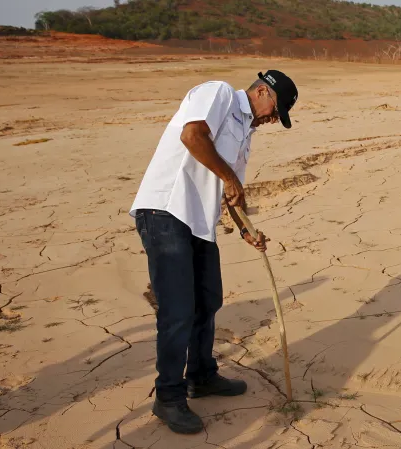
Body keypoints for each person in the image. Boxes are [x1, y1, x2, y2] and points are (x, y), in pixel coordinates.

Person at [128, 70, 299, 434]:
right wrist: (229, 178)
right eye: (275, 109)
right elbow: (192, 136)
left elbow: (232, 192)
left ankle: (202, 375)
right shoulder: (219, 94)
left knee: (208, 300)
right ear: (261, 91)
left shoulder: (246, 133)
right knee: (177, 310)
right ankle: (169, 396)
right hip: (165, 211)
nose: (271, 119)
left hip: (199, 221)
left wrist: (245, 229)